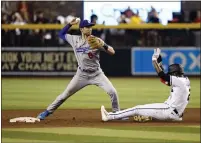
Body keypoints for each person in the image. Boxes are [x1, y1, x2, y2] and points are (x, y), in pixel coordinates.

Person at [37, 18, 120, 120]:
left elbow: (112, 52)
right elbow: (61, 34)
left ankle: (117, 114)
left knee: (113, 92)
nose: (90, 29)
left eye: (91, 27)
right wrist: (69, 25)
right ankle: (47, 112)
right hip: (81, 75)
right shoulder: (74, 40)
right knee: (65, 95)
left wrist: (104, 45)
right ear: (81, 29)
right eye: (87, 27)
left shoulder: (96, 40)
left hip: (97, 74)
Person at [101, 48, 191, 122]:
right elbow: (164, 79)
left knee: (136, 109)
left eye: (171, 73)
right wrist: (159, 61)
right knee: (146, 110)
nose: (170, 75)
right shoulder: (184, 81)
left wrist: (154, 60)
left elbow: (162, 76)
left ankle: (109, 116)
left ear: (174, 73)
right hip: (175, 113)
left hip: (168, 111)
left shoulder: (179, 81)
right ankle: (149, 116)